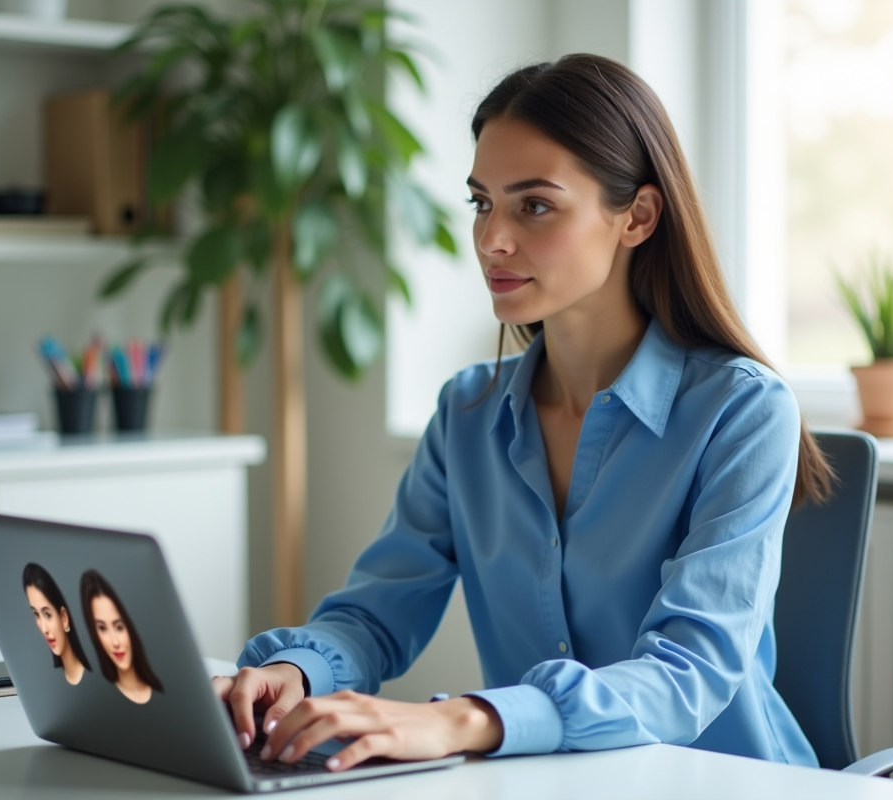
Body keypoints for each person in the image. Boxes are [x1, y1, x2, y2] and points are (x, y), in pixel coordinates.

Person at [214, 54, 834, 773]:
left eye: (534, 205)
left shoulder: (744, 410)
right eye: (482, 202)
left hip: (724, 782)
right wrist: (296, 672)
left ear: (637, 216)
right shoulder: (467, 413)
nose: (491, 240)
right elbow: (376, 615)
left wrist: (459, 719)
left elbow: (685, 673)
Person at [80, 569, 164, 704]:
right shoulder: (97, 702)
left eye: (119, 627)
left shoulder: (164, 689)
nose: (115, 642)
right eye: (102, 628)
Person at [23, 562, 91, 685]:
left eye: (47, 614)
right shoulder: (46, 680)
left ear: (64, 617)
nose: (44, 629)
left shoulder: (94, 678)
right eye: (36, 614)